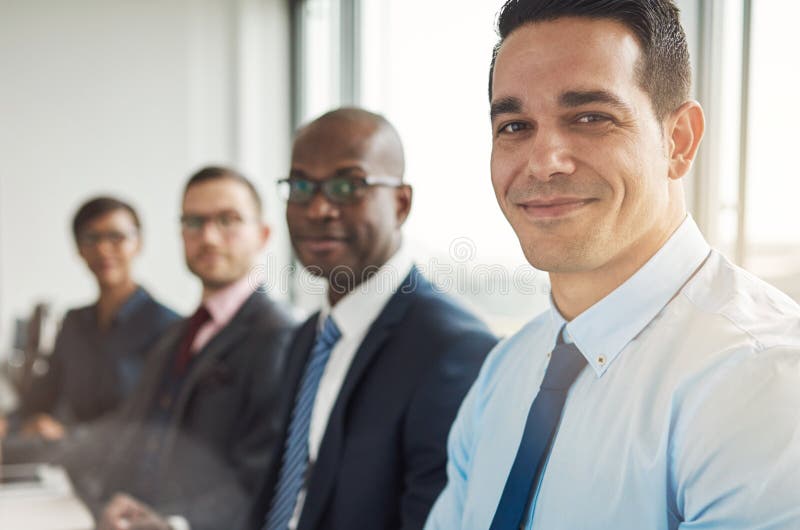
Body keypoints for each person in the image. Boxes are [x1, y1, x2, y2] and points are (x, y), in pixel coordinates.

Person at [425, 1, 800, 529]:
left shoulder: (762, 381)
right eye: (514, 126)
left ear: (680, 141)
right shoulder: (504, 372)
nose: (542, 160)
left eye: (590, 117)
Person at [244, 108, 497, 530]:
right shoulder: (309, 335)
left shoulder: (452, 349)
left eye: (348, 186)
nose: (319, 208)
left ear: (401, 203)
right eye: (302, 186)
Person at [57, 166, 298, 530]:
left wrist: (175, 523)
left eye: (228, 220)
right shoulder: (178, 335)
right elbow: (130, 432)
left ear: (263, 234)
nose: (210, 237)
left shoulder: (279, 336)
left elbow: (266, 477)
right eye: (194, 222)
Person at [12, 196, 179, 438]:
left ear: (138, 243)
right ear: (79, 249)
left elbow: (155, 420)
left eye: (116, 237)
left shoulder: (168, 327)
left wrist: (70, 434)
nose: (103, 249)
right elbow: (41, 398)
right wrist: (14, 422)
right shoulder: (74, 322)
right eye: (91, 238)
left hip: (130, 466)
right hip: (69, 464)